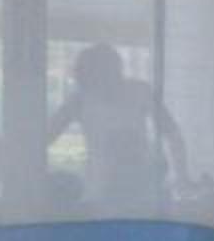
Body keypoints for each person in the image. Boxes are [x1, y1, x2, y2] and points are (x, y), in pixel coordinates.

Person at [48, 44, 186, 211]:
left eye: (105, 76)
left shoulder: (140, 91)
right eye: (92, 80)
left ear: (116, 72)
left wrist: (181, 177)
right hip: (99, 192)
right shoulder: (79, 100)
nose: (100, 85)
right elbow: (46, 136)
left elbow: (172, 133)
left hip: (143, 187)